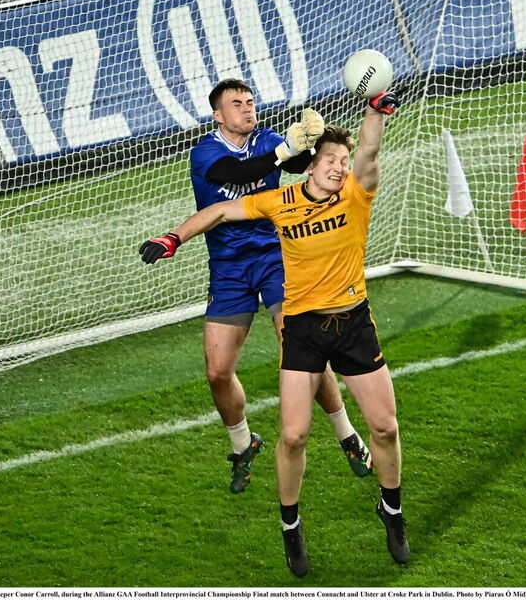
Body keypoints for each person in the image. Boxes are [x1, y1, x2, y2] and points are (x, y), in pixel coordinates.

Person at [140, 89, 409, 575]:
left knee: (363, 409)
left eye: (250, 101)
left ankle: (352, 443)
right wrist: (173, 236)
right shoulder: (211, 155)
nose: (247, 108)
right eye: (237, 104)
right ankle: (248, 450)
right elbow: (232, 184)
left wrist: (369, 112)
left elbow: (358, 155)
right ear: (218, 113)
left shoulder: (347, 188)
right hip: (228, 268)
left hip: (282, 268)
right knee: (220, 373)